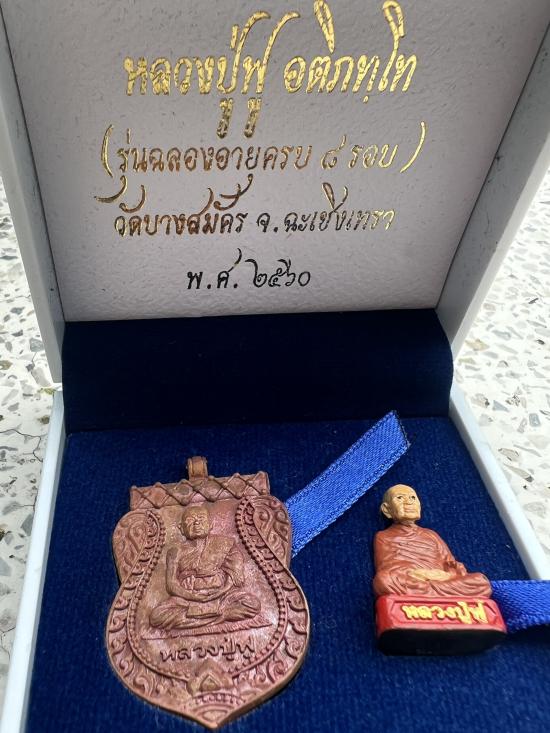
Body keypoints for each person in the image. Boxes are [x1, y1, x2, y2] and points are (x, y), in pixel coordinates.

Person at [150, 504, 260, 630]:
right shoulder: (175, 551)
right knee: (156, 616)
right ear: (181, 528)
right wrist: (193, 597)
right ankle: (218, 616)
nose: (197, 523)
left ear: (210, 524)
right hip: (187, 599)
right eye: (190, 520)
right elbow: (171, 584)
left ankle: (202, 617)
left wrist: (221, 591)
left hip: (221, 595)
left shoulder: (226, 544)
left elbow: (235, 574)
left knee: (252, 604)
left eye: (201, 519)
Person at [373, 484, 492, 598]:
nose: (409, 502)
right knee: (384, 580)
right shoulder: (384, 536)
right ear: (386, 509)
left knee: (480, 581)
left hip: (440, 580)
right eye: (400, 498)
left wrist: (448, 575)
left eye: (413, 498)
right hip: (414, 579)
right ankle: (433, 595)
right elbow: (387, 568)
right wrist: (418, 574)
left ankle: (425, 595)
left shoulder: (431, 534)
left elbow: (451, 563)